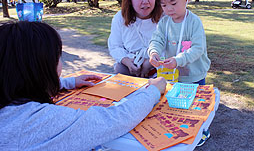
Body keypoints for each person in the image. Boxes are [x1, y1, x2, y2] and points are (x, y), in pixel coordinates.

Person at [0, 21, 167, 150]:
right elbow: (113, 120)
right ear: (39, 67)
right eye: (58, 57)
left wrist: (66, 82)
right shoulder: (37, 122)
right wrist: (152, 91)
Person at [148, 0, 211, 146]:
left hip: (194, 75)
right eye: (164, 5)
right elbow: (157, 40)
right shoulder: (164, 22)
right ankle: (179, 132)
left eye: (173, 3)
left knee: (196, 106)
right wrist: (153, 52)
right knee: (175, 105)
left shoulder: (194, 22)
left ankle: (202, 131)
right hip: (173, 74)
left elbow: (197, 48)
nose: (169, 9)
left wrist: (178, 60)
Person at [108, 0, 163, 78]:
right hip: (130, 70)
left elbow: (172, 47)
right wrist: (127, 61)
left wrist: (150, 62)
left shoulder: (165, 18)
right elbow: (115, 46)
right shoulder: (120, 18)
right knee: (120, 68)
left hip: (160, 70)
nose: (145, 1)